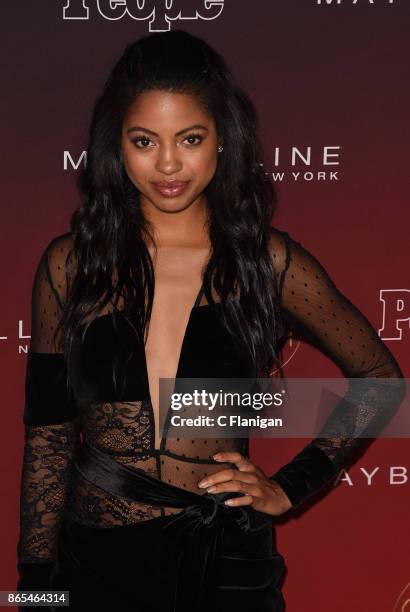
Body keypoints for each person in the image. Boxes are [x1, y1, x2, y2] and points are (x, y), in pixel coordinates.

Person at [16, 29, 404, 612]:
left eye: (190, 138)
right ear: (115, 146)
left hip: (225, 563)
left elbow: (381, 378)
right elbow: (48, 439)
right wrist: (37, 590)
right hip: (97, 563)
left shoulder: (266, 263)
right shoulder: (70, 265)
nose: (168, 163)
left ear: (222, 139)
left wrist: (291, 486)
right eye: (144, 140)